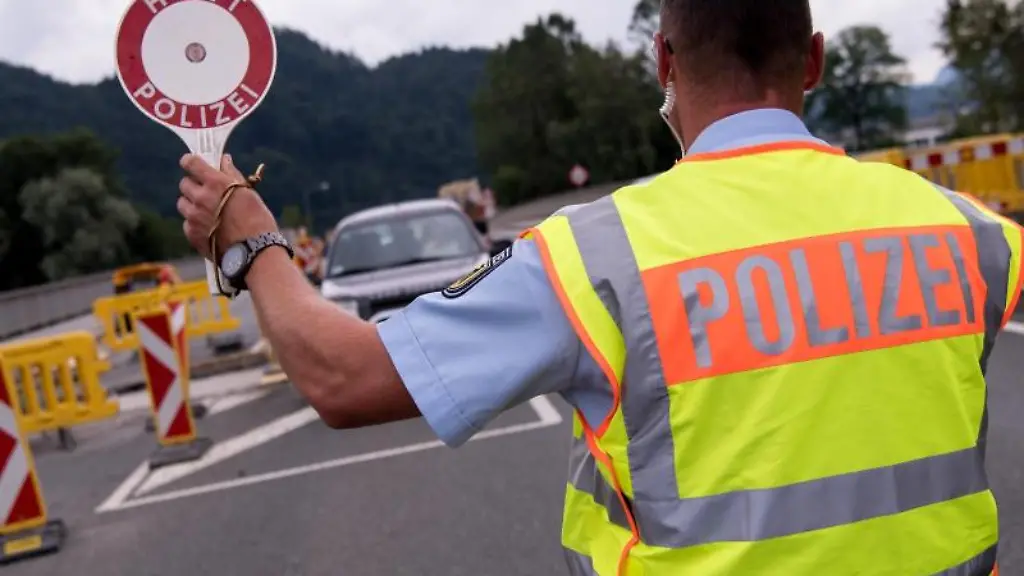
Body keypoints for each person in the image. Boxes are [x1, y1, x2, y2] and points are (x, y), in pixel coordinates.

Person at [175, 1, 1024, 573]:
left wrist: (254, 245)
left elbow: (344, 378)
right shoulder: (966, 229)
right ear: (813, 59)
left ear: (663, 59)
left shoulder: (597, 256)